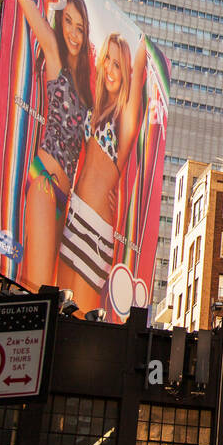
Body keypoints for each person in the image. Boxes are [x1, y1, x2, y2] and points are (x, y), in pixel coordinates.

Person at [57, 32, 147, 314]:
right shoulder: (96, 108)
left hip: (96, 228)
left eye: (118, 64)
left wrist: (140, 48)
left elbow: (141, 60)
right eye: (108, 59)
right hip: (74, 218)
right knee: (57, 313)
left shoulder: (125, 114)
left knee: (81, 318)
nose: (110, 68)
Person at [16, 0, 94, 290]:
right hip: (45, 182)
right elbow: (30, 11)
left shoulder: (86, 85)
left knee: (51, 294)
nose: (73, 33)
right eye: (68, 22)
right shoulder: (54, 55)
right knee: (35, 289)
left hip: (67, 198)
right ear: (59, 22)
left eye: (80, 27)